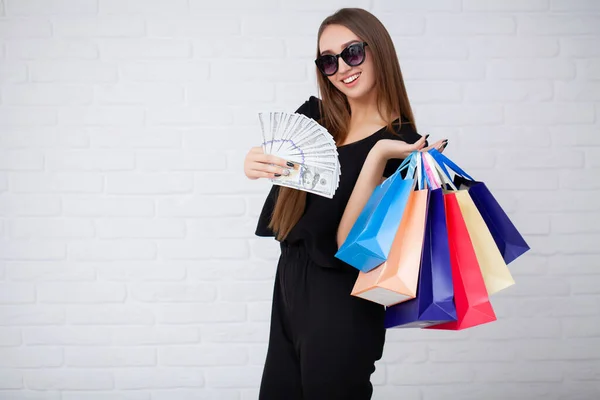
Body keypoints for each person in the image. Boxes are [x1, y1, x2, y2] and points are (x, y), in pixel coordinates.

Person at [243, 8, 447, 400]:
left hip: (342, 300)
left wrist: (378, 155)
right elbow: (287, 216)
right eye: (328, 60)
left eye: (352, 52)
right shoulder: (314, 120)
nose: (341, 68)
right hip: (289, 286)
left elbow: (348, 246)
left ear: (378, 50)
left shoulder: (406, 145)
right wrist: (254, 163)